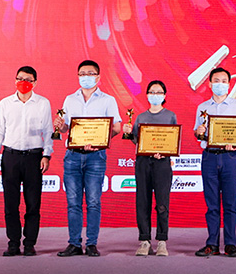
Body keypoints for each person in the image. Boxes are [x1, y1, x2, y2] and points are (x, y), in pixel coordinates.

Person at [54, 60, 121, 257]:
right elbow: (66, 128)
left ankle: (92, 243)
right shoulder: (70, 100)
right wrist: (60, 126)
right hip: (73, 156)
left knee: (93, 201)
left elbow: (117, 127)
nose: (86, 77)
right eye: (82, 74)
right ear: (78, 76)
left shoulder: (108, 100)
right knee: (73, 202)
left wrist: (100, 140)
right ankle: (74, 243)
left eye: (90, 73)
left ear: (98, 77)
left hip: (96, 156)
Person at [0, 66, 53, 256]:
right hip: (10, 156)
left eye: (28, 79)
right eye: (20, 78)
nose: (23, 82)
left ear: (35, 82)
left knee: (33, 203)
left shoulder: (43, 103)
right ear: (15, 80)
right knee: (11, 203)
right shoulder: (5, 103)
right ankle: (13, 242)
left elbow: (48, 131)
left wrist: (47, 155)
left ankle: (30, 243)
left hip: (34, 157)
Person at [194, 67, 236, 257]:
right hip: (209, 156)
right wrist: (199, 132)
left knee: (230, 203)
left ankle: (231, 244)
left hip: (230, 157)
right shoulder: (202, 107)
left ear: (229, 84)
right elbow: (197, 133)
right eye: (216, 81)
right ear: (210, 84)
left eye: (224, 81)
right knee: (212, 204)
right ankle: (212, 243)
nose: (220, 84)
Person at [122, 80, 177, 257]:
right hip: (143, 162)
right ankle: (144, 240)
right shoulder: (140, 117)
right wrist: (128, 132)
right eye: (152, 92)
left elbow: (173, 140)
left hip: (162, 163)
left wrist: (164, 152)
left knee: (162, 202)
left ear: (164, 95)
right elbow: (136, 140)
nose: (155, 95)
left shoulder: (170, 116)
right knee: (143, 201)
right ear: (147, 95)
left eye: (159, 92)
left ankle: (162, 241)